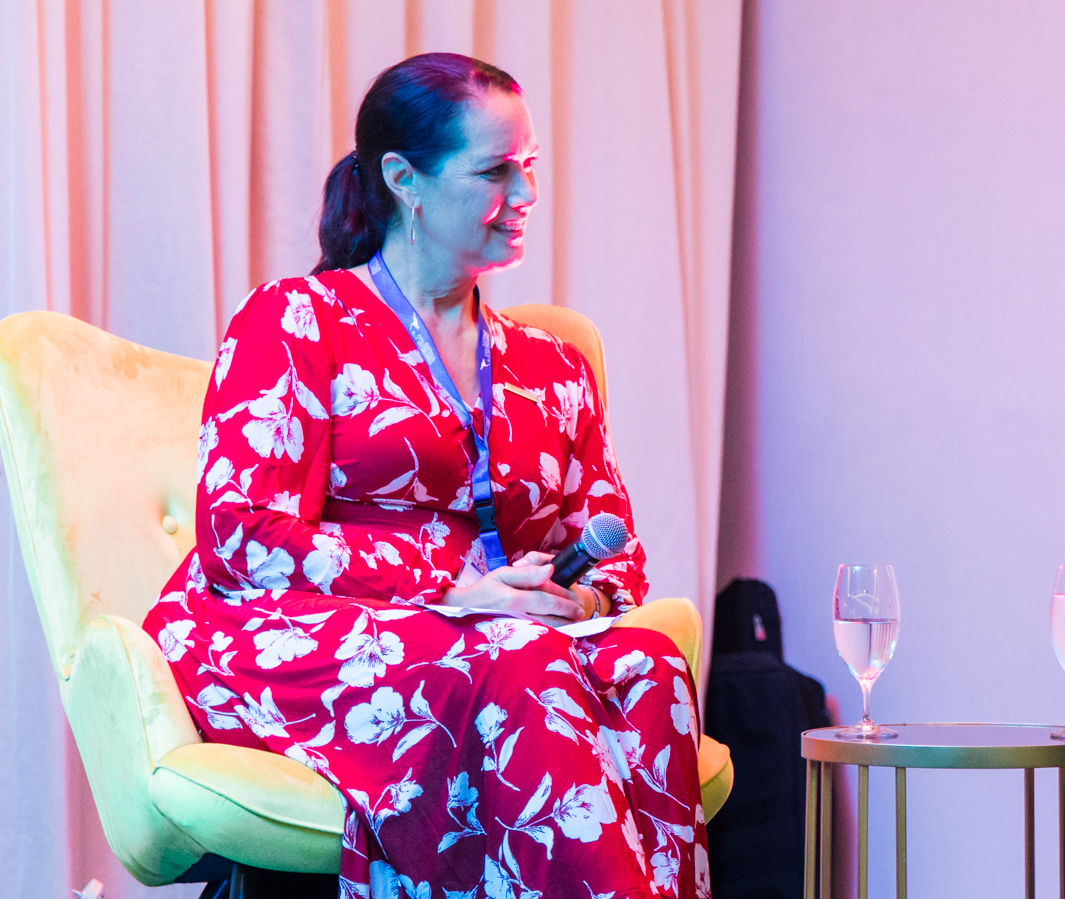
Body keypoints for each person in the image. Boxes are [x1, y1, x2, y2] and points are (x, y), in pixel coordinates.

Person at [141, 53, 709, 899]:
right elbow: (241, 536)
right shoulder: (295, 321)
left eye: (530, 166)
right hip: (299, 632)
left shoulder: (554, 366)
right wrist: (454, 587)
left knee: (651, 665)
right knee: (515, 662)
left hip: (500, 635)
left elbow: (616, 548)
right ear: (404, 179)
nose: (526, 194)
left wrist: (576, 599)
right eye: (495, 171)